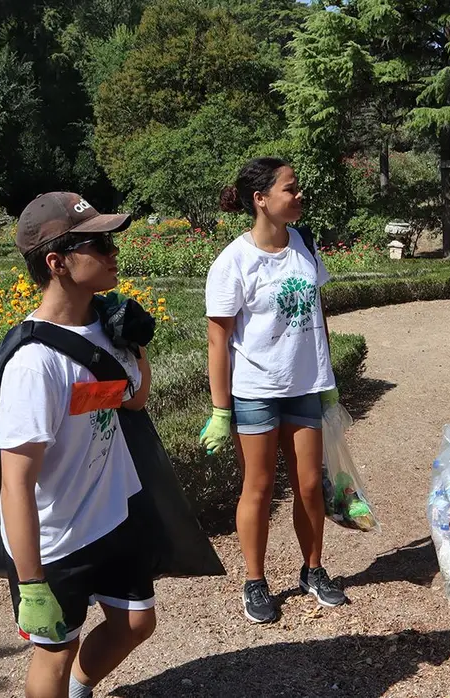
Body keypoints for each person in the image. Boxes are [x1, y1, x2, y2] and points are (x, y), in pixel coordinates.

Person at [0, 192, 156, 698]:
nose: (113, 253)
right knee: (55, 652)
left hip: (111, 515)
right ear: (57, 262)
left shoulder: (103, 326)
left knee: (135, 624)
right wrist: (30, 583)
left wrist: (134, 344)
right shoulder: (33, 365)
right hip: (55, 539)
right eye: (98, 243)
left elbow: (132, 400)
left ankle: (81, 689)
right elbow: (15, 483)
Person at [198, 157, 347, 625]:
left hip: (303, 386)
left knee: (308, 487)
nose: (299, 195)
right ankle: (255, 580)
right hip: (256, 390)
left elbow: (318, 314)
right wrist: (222, 408)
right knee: (258, 489)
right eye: (291, 189)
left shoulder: (303, 244)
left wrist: (327, 380)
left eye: (298, 188)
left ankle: (314, 570)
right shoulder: (233, 262)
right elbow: (218, 339)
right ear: (261, 199)